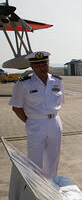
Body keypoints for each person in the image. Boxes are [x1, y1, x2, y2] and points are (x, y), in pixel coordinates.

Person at [9, 51, 64, 179]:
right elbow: (16, 107)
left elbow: (59, 102)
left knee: (53, 158)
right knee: (35, 160)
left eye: (45, 63)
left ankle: (51, 187)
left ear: (48, 64)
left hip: (55, 122)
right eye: (38, 65)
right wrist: (30, 121)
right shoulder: (24, 83)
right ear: (32, 67)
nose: (42, 67)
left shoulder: (57, 81)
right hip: (35, 123)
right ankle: (35, 191)